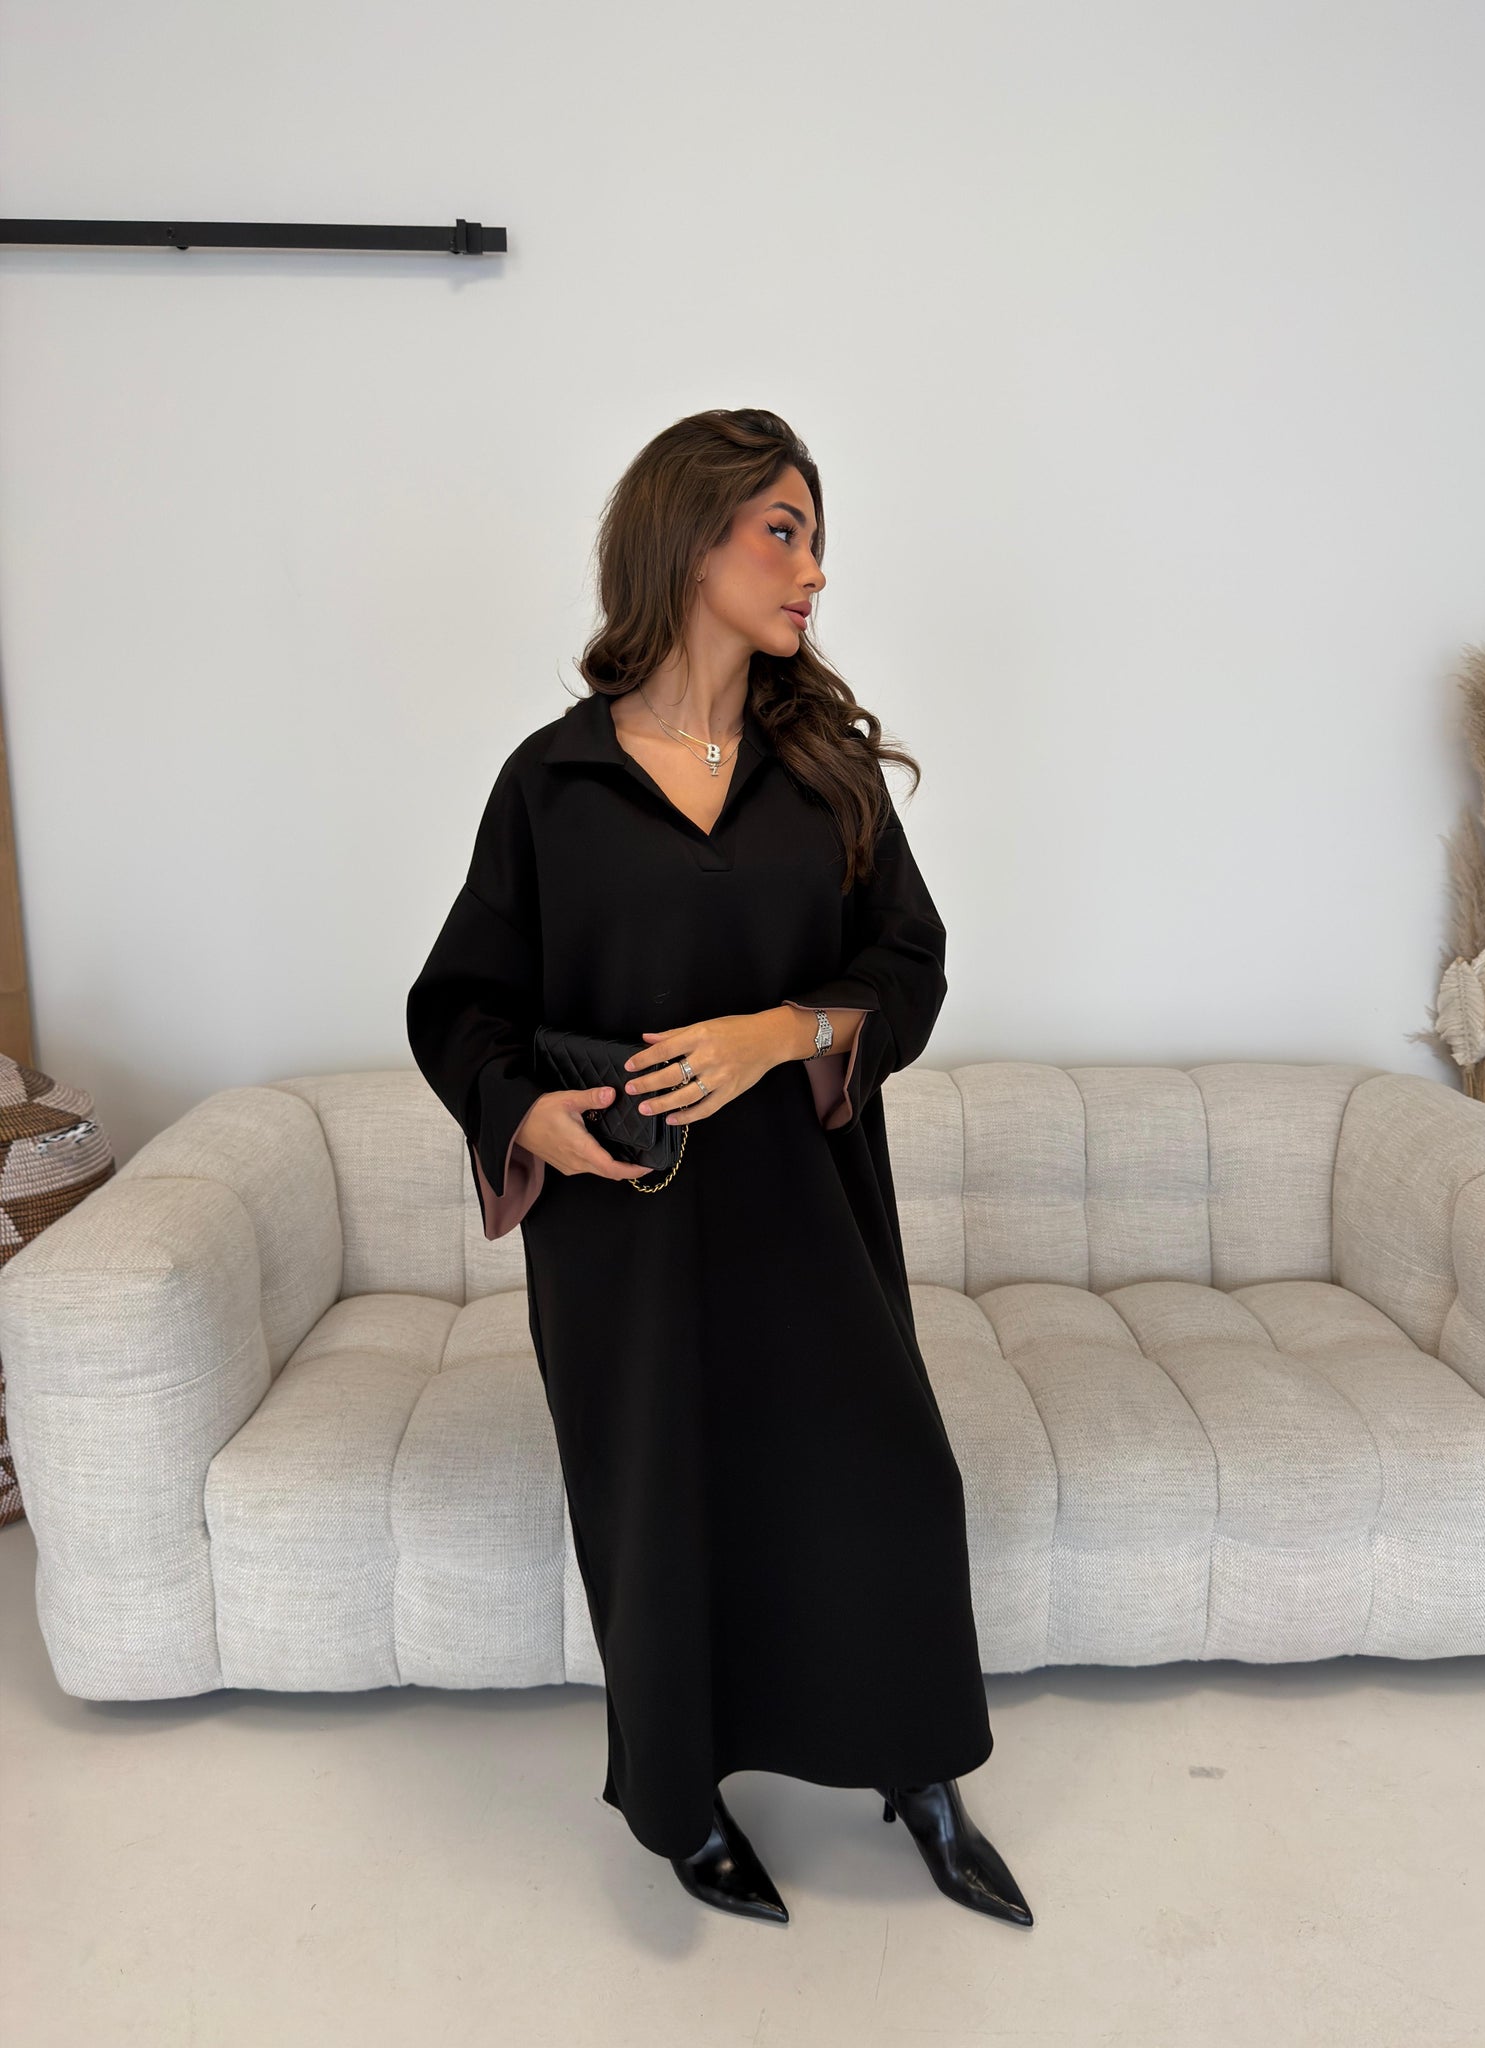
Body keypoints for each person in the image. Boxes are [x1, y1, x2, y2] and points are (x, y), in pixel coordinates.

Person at [406, 407, 1032, 1930]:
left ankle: (919, 1776)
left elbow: (911, 966)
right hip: (629, 1237)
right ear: (690, 539)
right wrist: (523, 1116)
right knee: (664, 1510)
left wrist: (777, 1032)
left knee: (889, 1481)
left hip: (812, 1222)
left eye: (817, 539)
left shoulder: (825, 773)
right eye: (783, 532)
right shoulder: (553, 785)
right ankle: (686, 1808)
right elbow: (459, 1005)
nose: (814, 570)